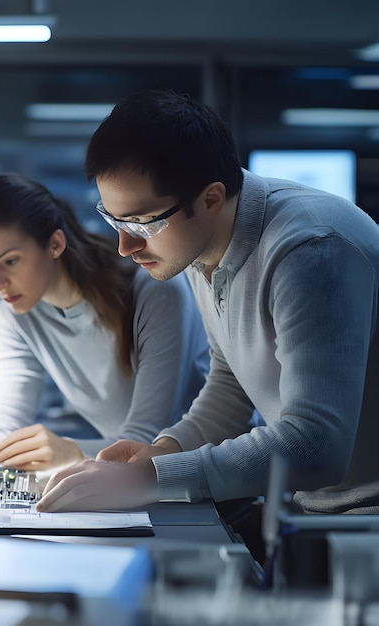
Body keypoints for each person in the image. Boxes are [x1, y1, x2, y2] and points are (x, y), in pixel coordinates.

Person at [36, 89, 379, 531]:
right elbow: (231, 383)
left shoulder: (310, 250)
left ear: (211, 199)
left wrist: (153, 479)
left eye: (142, 222)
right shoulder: (201, 245)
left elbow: (317, 445)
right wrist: (164, 452)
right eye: (115, 220)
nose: (126, 246)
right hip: (321, 512)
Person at [0, 173, 210, 471]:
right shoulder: (14, 317)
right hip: (131, 477)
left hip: (201, 472)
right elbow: (3, 428)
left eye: (10, 261)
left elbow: (147, 439)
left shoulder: (151, 290)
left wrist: (71, 452)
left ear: (55, 244)